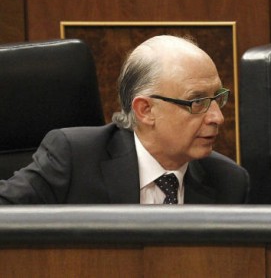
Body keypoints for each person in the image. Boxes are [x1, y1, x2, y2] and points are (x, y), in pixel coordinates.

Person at [0, 35, 249, 204]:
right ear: (145, 110)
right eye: (197, 102)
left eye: (217, 98)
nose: (218, 116)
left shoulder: (229, 181)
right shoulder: (74, 159)